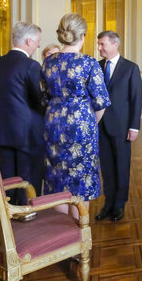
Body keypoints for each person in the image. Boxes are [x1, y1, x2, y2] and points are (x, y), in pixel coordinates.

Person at [42, 14, 110, 216]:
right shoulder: (89, 63)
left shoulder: (48, 62)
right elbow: (100, 103)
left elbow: (43, 97)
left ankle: (63, 238)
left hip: (53, 124)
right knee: (81, 185)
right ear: (82, 36)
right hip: (82, 127)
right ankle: (79, 236)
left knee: (57, 180)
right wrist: (89, 125)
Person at [0, 22, 45, 203]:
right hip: (27, 134)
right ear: (28, 41)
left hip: (2, 132)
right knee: (29, 179)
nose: (38, 46)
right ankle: (28, 215)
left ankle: (8, 217)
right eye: (37, 42)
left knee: (8, 179)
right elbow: (40, 100)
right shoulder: (31, 65)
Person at [96, 30, 142, 222]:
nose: (99, 48)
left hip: (122, 127)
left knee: (121, 166)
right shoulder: (96, 67)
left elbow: (136, 98)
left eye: (102, 44)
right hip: (101, 126)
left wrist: (134, 127)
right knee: (106, 167)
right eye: (98, 44)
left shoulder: (130, 68)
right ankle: (108, 204)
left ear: (115, 45)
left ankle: (119, 205)